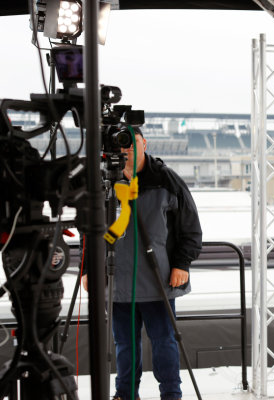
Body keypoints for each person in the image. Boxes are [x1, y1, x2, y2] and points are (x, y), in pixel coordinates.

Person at [82, 126, 203, 400]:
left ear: (144, 143)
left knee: (164, 343)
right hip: (116, 282)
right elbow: (90, 233)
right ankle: (125, 394)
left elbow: (191, 229)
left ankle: (171, 394)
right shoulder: (102, 182)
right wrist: (89, 269)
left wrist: (182, 265)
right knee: (124, 345)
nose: (126, 149)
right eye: (120, 144)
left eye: (132, 142)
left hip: (159, 281)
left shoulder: (166, 180)